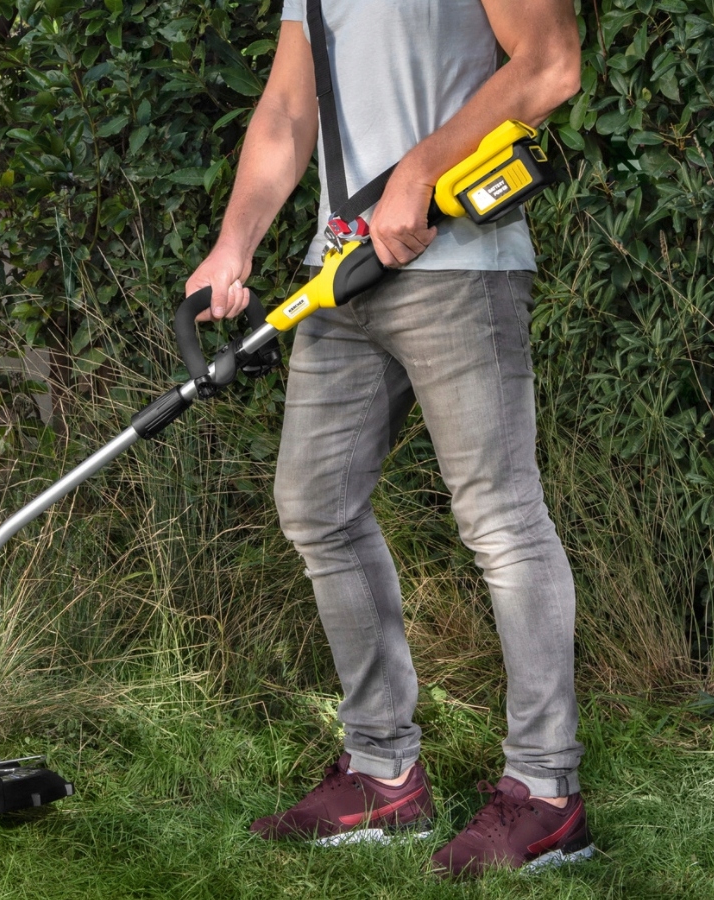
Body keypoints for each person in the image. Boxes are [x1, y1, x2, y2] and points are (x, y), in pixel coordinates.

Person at [184, 0, 589, 878]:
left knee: (501, 519)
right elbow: (287, 109)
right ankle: (383, 774)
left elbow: (553, 61)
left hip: (457, 261)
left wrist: (422, 167)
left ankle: (548, 793)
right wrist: (233, 245)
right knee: (317, 507)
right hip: (343, 271)